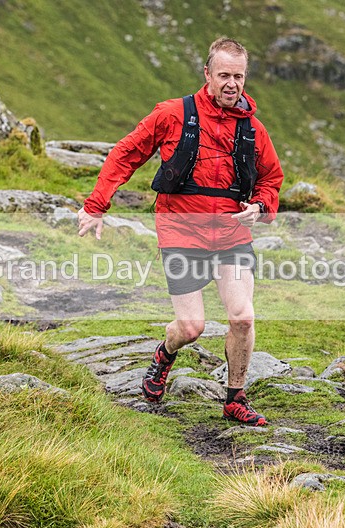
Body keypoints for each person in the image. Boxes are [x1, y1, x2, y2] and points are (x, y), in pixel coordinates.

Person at [78, 37, 283, 426]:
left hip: (231, 234)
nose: (231, 84)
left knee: (242, 317)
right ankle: (165, 354)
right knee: (191, 327)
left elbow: (272, 179)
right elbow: (126, 153)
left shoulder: (254, 130)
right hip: (181, 231)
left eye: (238, 76)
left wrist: (260, 205)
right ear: (207, 74)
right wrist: (96, 205)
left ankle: (235, 398)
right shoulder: (173, 114)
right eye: (223, 75)